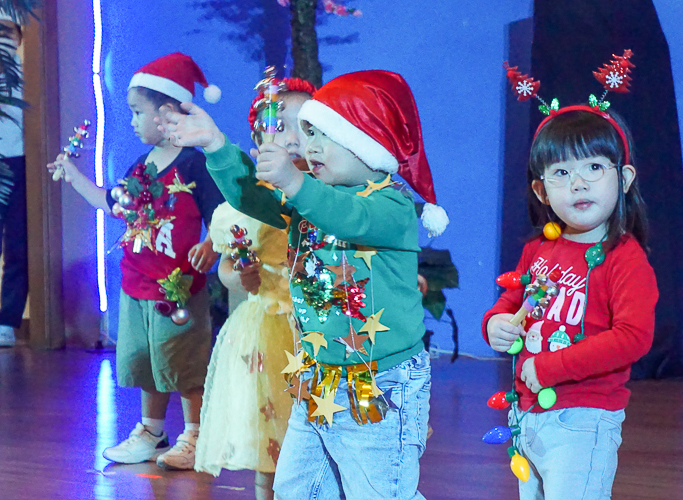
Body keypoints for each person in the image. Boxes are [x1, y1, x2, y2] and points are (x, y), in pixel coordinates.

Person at [158, 70, 448, 500]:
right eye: (307, 134)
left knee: (380, 491)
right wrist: (216, 145)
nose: (308, 147)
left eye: (323, 135)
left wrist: (295, 184)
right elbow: (252, 196)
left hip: (377, 382)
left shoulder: (392, 205)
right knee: (299, 489)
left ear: (367, 139)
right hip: (319, 377)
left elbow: (348, 216)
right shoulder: (308, 198)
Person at [47, 52, 225, 470]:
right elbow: (113, 205)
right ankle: (151, 432)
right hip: (138, 283)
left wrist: (213, 247)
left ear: (165, 113)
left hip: (177, 288)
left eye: (136, 112)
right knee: (147, 361)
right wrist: (74, 177)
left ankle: (196, 435)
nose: (131, 121)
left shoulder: (195, 162)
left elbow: (222, 213)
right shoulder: (141, 167)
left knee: (182, 359)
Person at [483, 90, 658, 497]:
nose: (578, 183)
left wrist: (552, 368)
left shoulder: (624, 258)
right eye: (561, 173)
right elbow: (517, 301)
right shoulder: (538, 249)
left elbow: (633, 337)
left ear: (624, 179)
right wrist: (496, 321)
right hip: (528, 414)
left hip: (584, 418)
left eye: (594, 167)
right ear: (542, 192)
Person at [194, 77, 316, 500]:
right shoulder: (247, 199)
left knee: (317, 433)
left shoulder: (327, 190)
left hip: (318, 328)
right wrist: (239, 277)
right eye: (281, 127)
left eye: (306, 126)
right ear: (259, 135)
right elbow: (229, 267)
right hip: (267, 329)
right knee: (270, 431)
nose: (294, 138)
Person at [0, 10, 27, 348]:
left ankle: (7, 320)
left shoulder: (30, 71)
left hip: (21, 162)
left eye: (7, 31)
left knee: (19, 243)